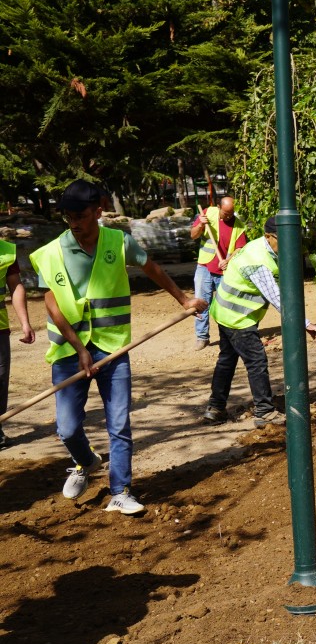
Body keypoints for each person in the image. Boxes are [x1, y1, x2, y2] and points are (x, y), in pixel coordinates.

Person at [32, 180, 205, 515]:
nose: (73, 222)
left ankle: (121, 490)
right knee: (67, 429)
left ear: (97, 212)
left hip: (112, 348)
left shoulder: (118, 241)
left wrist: (184, 299)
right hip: (69, 353)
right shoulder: (50, 252)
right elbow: (51, 304)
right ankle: (85, 461)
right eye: (68, 216)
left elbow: (150, 267)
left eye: (80, 215)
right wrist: (79, 348)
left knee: (119, 422)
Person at [204, 217, 316, 427]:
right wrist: (305, 323)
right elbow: (277, 297)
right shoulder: (258, 261)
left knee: (227, 360)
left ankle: (215, 409)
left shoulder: (261, 247)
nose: (288, 244)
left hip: (225, 311)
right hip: (237, 318)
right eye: (283, 239)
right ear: (268, 236)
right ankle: (264, 412)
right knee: (257, 362)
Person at [188, 195, 248, 351]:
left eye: (231, 213)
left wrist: (229, 260)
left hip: (223, 271)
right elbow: (193, 234)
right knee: (201, 303)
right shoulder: (208, 213)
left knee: (225, 305)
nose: (228, 216)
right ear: (219, 208)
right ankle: (202, 337)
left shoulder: (239, 226)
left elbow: (241, 248)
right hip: (205, 266)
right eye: (226, 213)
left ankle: (227, 338)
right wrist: (201, 225)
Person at [0, 237, 36, 448]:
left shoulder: (6, 251)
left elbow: (15, 286)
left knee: (0, 377)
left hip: (0, 326)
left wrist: (25, 322)